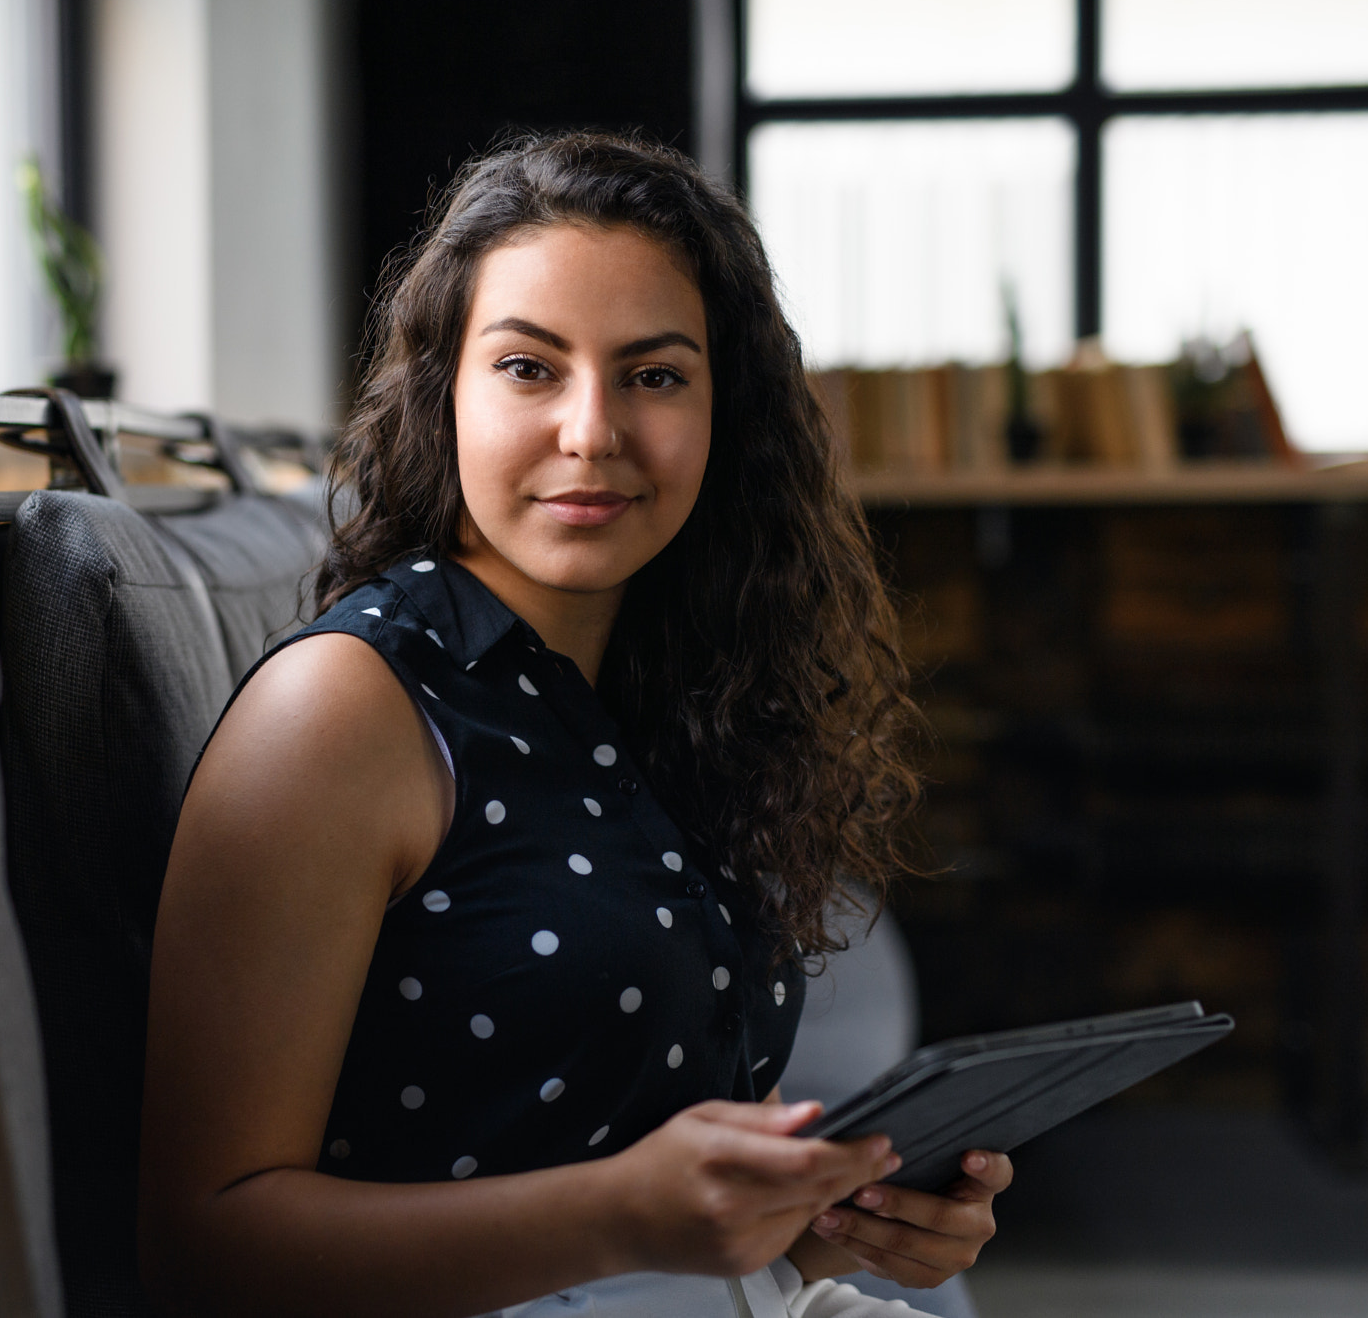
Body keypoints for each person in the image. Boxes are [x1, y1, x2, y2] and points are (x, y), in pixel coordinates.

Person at [138, 132, 1012, 1318]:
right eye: (527, 368)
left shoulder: (679, 686)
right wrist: (617, 1215)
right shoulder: (345, 713)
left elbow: (639, 1186)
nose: (591, 431)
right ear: (444, 389)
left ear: (723, 412)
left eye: (652, 376)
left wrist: (839, 1227)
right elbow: (201, 1247)